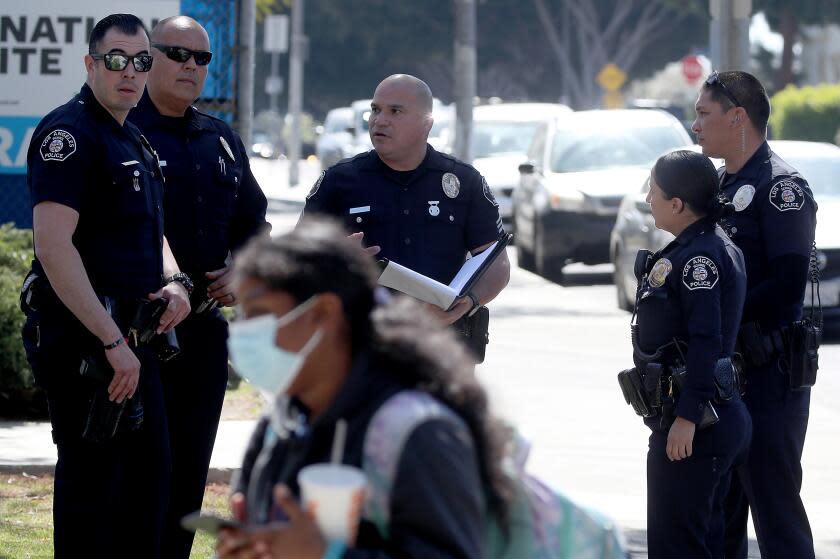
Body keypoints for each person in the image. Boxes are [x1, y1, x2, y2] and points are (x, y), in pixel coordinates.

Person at [214, 218, 513, 559]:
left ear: (323, 313)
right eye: (242, 317)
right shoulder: (281, 421)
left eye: (260, 316)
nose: (244, 335)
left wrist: (326, 554)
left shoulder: (418, 434)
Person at [19, 14, 191, 558]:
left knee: (148, 484)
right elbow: (54, 247)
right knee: (95, 490)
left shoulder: (131, 135)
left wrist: (176, 282)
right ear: (91, 64)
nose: (131, 72)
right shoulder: (69, 134)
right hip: (87, 344)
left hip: (134, 344)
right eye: (116, 60)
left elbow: (152, 234)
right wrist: (112, 343)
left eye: (142, 61)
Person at [127, 15, 270, 558]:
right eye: (177, 53)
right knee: (140, 475)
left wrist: (245, 267)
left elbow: (257, 228)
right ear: (148, 58)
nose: (191, 66)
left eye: (202, 58)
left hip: (204, 334)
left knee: (188, 474)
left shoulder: (220, 139)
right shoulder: (120, 129)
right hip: (136, 332)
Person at [692, 71, 818, 559]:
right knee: (720, 514)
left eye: (704, 114)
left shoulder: (781, 187)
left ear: (737, 117)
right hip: (728, 373)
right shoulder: (719, 185)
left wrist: (720, 313)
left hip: (771, 374)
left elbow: (787, 287)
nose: (696, 126)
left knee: (775, 509)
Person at [303, 74, 509, 356]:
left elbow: (496, 262)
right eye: (375, 110)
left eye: (395, 111)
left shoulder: (462, 183)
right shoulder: (339, 182)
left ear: (427, 124)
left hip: (441, 349)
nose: (379, 120)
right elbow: (295, 260)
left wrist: (470, 301)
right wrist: (337, 261)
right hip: (361, 348)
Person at [628, 150, 751, 558]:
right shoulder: (696, 245)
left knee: (677, 547)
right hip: (703, 418)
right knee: (706, 542)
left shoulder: (700, 257)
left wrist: (686, 416)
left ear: (678, 204)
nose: (648, 198)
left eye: (654, 191)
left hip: (699, 424)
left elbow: (706, 340)